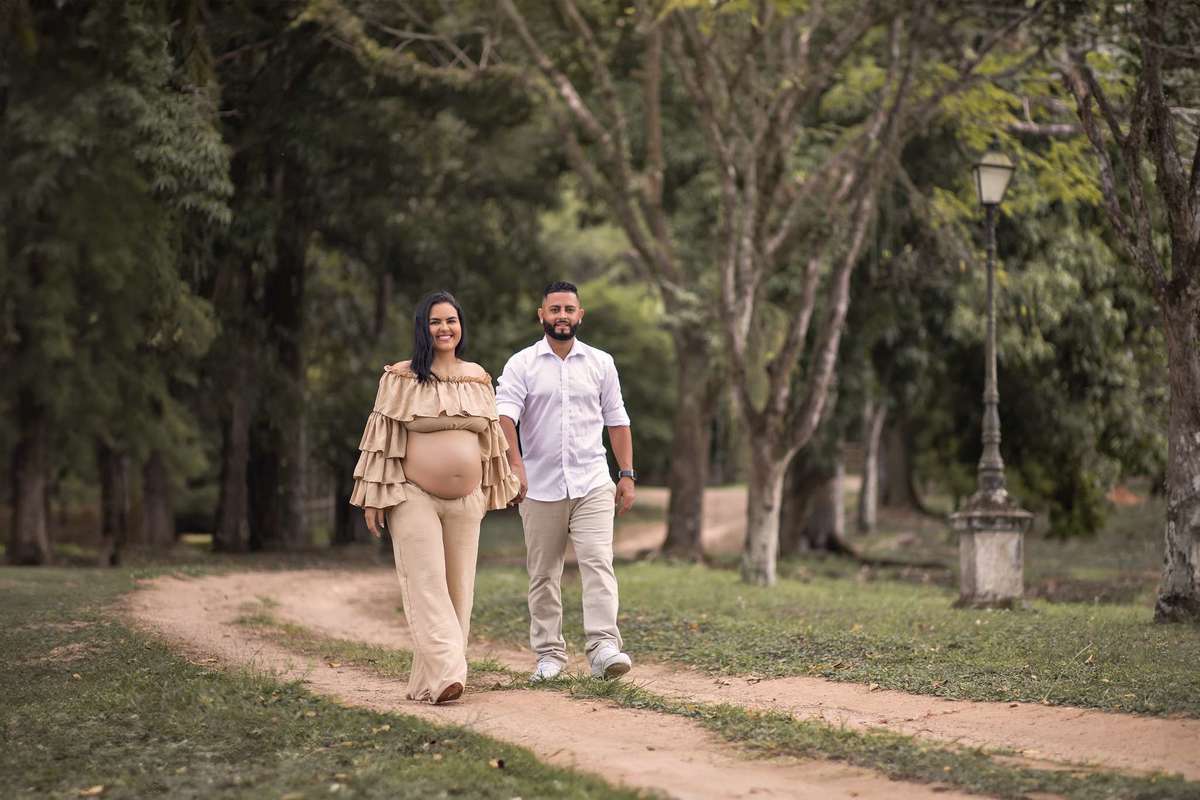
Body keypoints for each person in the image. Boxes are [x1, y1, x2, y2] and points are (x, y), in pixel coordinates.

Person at [350, 290, 519, 704]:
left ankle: (431, 683)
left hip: (466, 500)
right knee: (427, 584)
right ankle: (449, 671)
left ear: (461, 326)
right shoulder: (402, 377)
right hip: (413, 496)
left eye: (451, 320)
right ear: (423, 329)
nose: (445, 328)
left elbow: (491, 439)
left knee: (460, 590)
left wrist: (499, 484)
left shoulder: (478, 376)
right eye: (435, 322)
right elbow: (381, 438)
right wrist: (375, 495)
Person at [495, 281, 637, 681]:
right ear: (542, 315)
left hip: (592, 481)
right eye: (554, 309)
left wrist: (625, 474)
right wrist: (515, 468)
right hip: (539, 488)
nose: (562, 316)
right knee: (543, 574)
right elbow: (504, 417)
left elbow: (617, 419)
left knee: (598, 562)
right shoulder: (521, 364)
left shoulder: (600, 363)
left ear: (580, 315)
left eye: (568, 309)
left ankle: (603, 648)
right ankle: (550, 656)